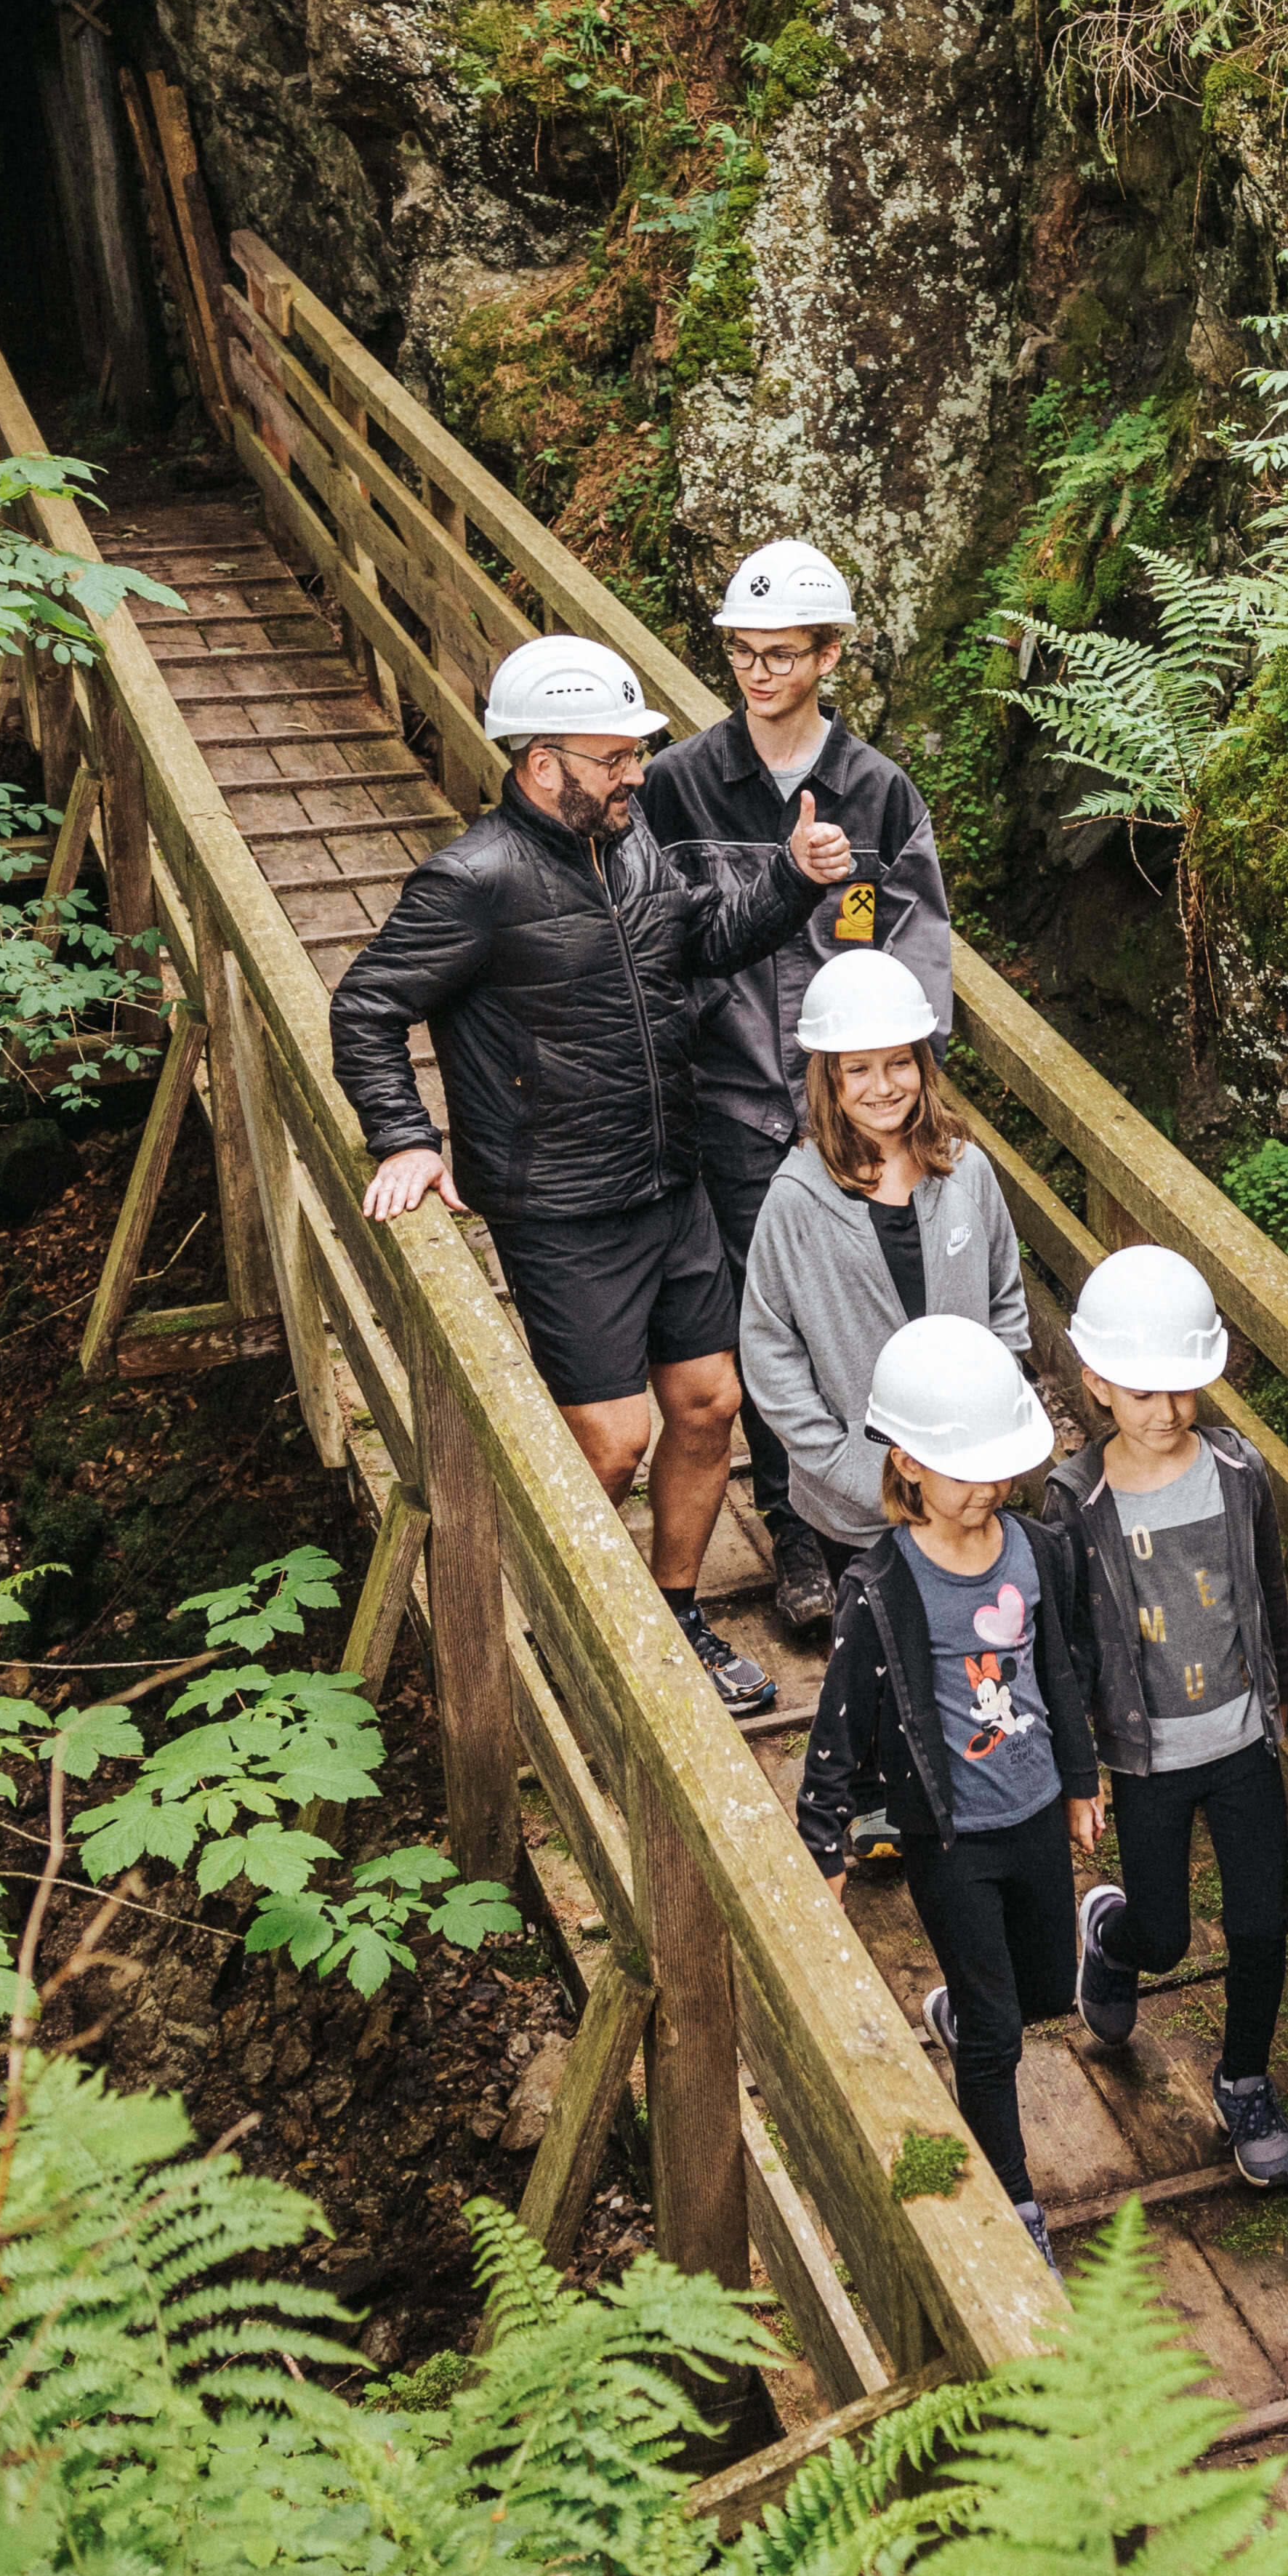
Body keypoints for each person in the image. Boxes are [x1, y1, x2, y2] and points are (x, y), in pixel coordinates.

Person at [332, 630, 838, 1716]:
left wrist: (793, 882)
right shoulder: (473, 879)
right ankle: (560, 1632)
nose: (636, 775)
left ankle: (672, 1613)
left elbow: (702, 942)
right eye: (613, 759)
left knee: (709, 1404)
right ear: (541, 761)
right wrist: (406, 1138)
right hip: (560, 1205)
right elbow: (368, 1007)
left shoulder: (639, 844)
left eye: (636, 754)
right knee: (610, 1444)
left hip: (671, 1179)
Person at [641, 536, 959, 1583]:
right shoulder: (679, 785)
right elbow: (655, 940)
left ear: (830, 657)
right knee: (763, 1322)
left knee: (858, 1310)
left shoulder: (878, 794)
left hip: (847, 1110)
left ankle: (875, 1512)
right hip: (729, 1099)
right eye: (742, 651)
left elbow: (918, 954)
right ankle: (794, 1534)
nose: (758, 672)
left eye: (782, 653)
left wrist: (900, 1090)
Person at [787, 1319, 1097, 2261]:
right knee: (1001, 2035)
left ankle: (971, 2008)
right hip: (951, 1835)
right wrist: (823, 1843)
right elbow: (838, 1724)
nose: (993, 1488)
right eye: (970, 1469)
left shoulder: (1035, 1553)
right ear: (909, 1464)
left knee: (1049, 1992)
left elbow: (1057, 1672)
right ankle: (1016, 2205)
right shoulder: (882, 1588)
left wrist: (1083, 1781)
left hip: (1038, 1809)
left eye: (1002, 1466)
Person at [1045, 1242, 1288, 2189]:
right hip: (1148, 1756)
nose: (1170, 1411)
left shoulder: (1239, 1473)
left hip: (1240, 1741)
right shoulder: (1078, 1502)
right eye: (1147, 1392)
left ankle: (1243, 2080)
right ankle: (1110, 1937)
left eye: (1186, 1389)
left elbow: (1268, 1593)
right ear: (1099, 1385)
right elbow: (1069, 1645)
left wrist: (1281, 1699)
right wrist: (1082, 1772)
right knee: (1167, 1938)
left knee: (1259, 1925)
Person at [733, 953, 1034, 1671]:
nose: (881, 1086)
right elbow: (767, 1346)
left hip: (966, 1479)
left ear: (922, 1064)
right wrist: (838, 1460)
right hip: (856, 1504)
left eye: (897, 1063)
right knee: (885, 1667)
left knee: (975, 1657)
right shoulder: (796, 1198)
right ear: (829, 1079)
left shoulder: (966, 1170)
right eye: (857, 1069)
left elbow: (1005, 1302)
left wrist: (994, 1420)